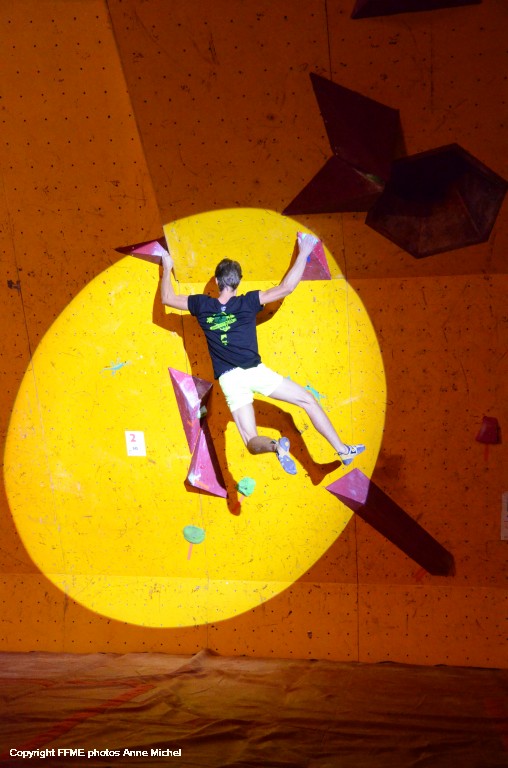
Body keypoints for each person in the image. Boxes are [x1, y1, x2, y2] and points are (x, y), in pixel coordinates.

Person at [160, 234, 365, 475]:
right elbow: (286, 288)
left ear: (216, 281)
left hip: (230, 380)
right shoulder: (248, 301)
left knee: (251, 440)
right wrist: (304, 251)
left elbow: (167, 298)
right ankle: (342, 450)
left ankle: (276, 447)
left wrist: (167, 267)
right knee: (307, 401)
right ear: (238, 283)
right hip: (255, 372)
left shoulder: (202, 305)